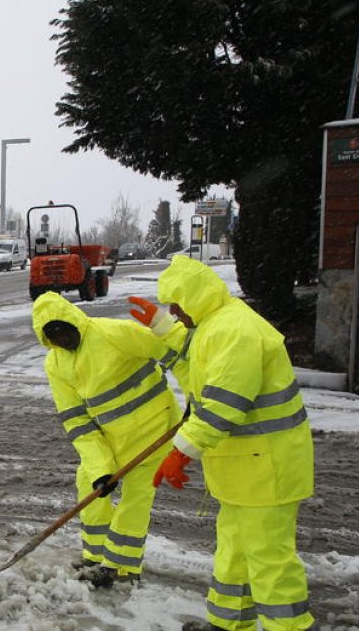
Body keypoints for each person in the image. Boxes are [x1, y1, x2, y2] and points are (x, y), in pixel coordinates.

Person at [131, 255, 315, 630]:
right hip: (246, 470)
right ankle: (228, 624)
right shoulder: (216, 323)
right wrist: (163, 326)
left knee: (269, 560)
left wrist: (180, 453)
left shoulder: (236, 331)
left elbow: (223, 405)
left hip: (267, 469)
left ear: (197, 297)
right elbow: (195, 358)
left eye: (178, 306)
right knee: (234, 552)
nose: (177, 313)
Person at [32, 291, 182, 588]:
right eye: (54, 336)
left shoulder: (114, 333)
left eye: (65, 330)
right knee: (88, 484)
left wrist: (196, 396)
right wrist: (101, 469)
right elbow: (76, 420)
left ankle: (120, 568)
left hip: (154, 431)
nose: (63, 339)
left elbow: (175, 353)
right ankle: (96, 555)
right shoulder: (56, 364)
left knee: (136, 499)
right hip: (110, 439)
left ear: (75, 321)